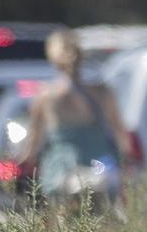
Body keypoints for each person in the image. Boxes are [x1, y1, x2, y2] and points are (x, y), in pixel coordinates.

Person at [17, 29, 131, 202]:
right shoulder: (103, 93)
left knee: (65, 223)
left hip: (63, 170)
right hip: (100, 167)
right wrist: (126, 158)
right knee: (106, 219)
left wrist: (24, 162)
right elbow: (121, 135)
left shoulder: (46, 96)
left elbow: (34, 142)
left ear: (53, 59)